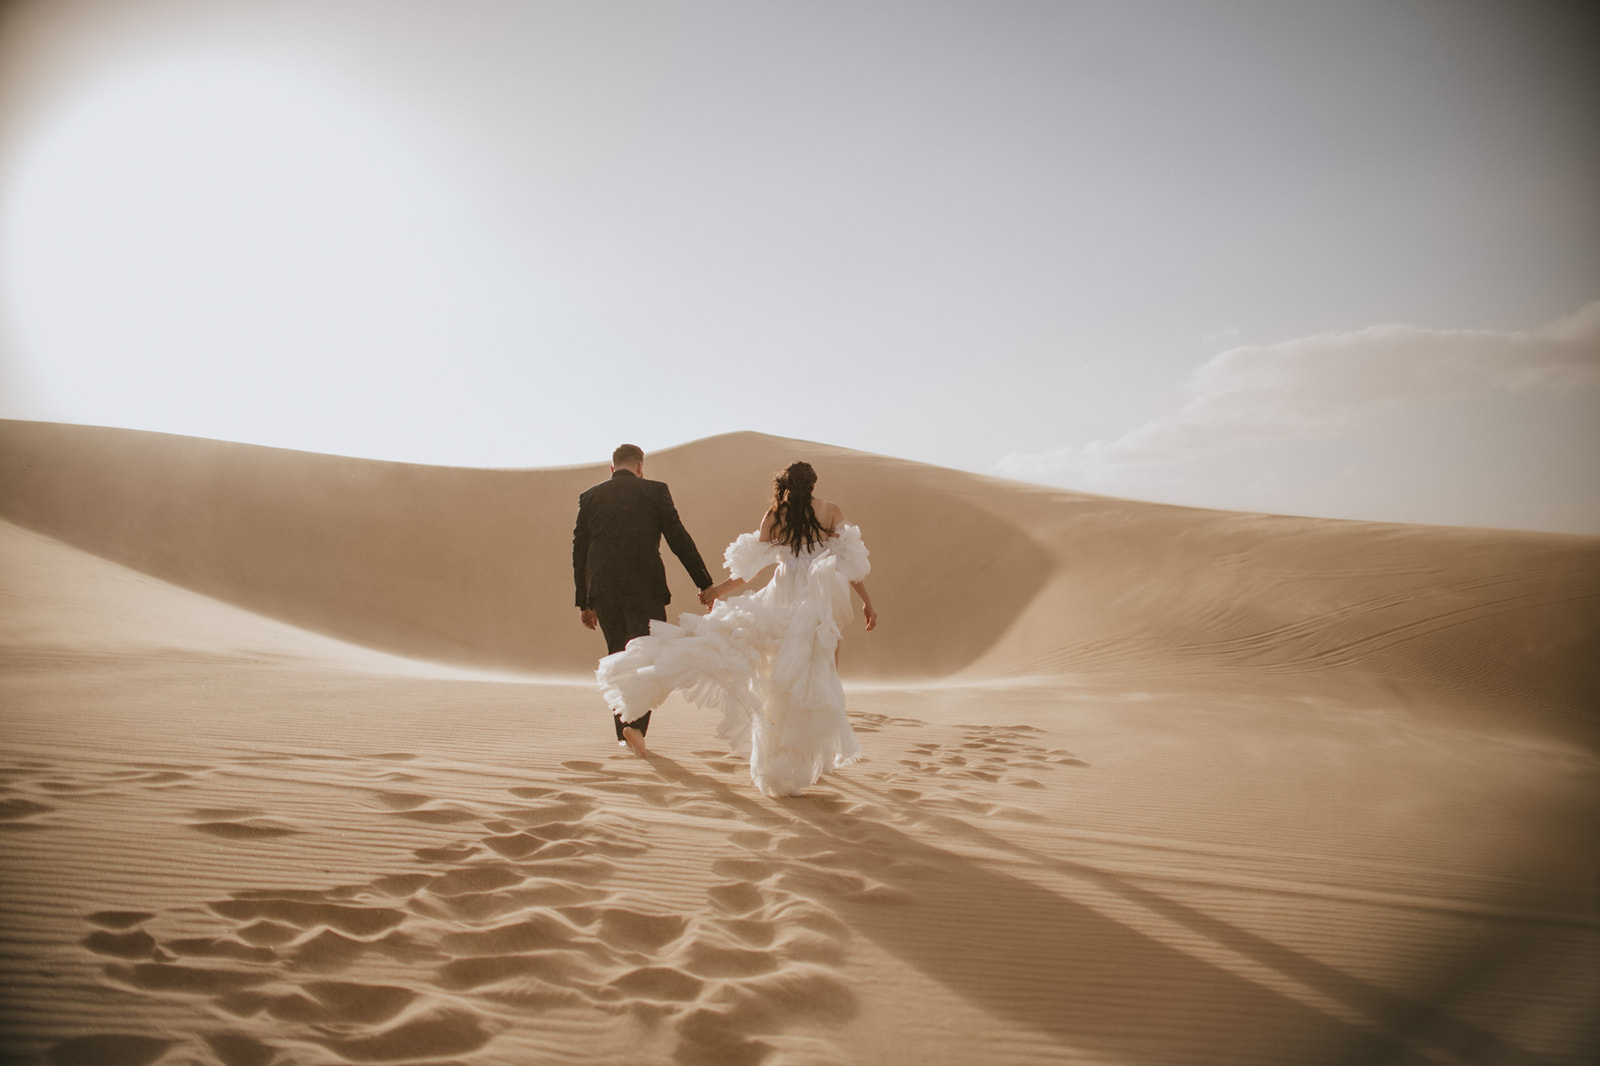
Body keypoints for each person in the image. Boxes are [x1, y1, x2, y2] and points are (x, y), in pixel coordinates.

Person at [596, 461, 879, 796]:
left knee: (777, 679)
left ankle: (785, 757)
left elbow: (751, 570)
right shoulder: (831, 511)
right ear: (813, 484)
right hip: (815, 603)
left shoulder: (775, 515)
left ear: (785, 484)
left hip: (783, 596)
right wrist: (867, 602)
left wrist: (716, 590)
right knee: (816, 675)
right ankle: (807, 758)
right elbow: (850, 564)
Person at [573, 443, 715, 757]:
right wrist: (705, 583)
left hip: (604, 590)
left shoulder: (590, 497)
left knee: (617, 658)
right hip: (645, 588)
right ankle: (635, 729)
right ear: (641, 466)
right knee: (647, 658)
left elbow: (579, 552)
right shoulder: (655, 492)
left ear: (612, 468)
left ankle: (625, 733)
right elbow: (679, 538)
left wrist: (584, 601)